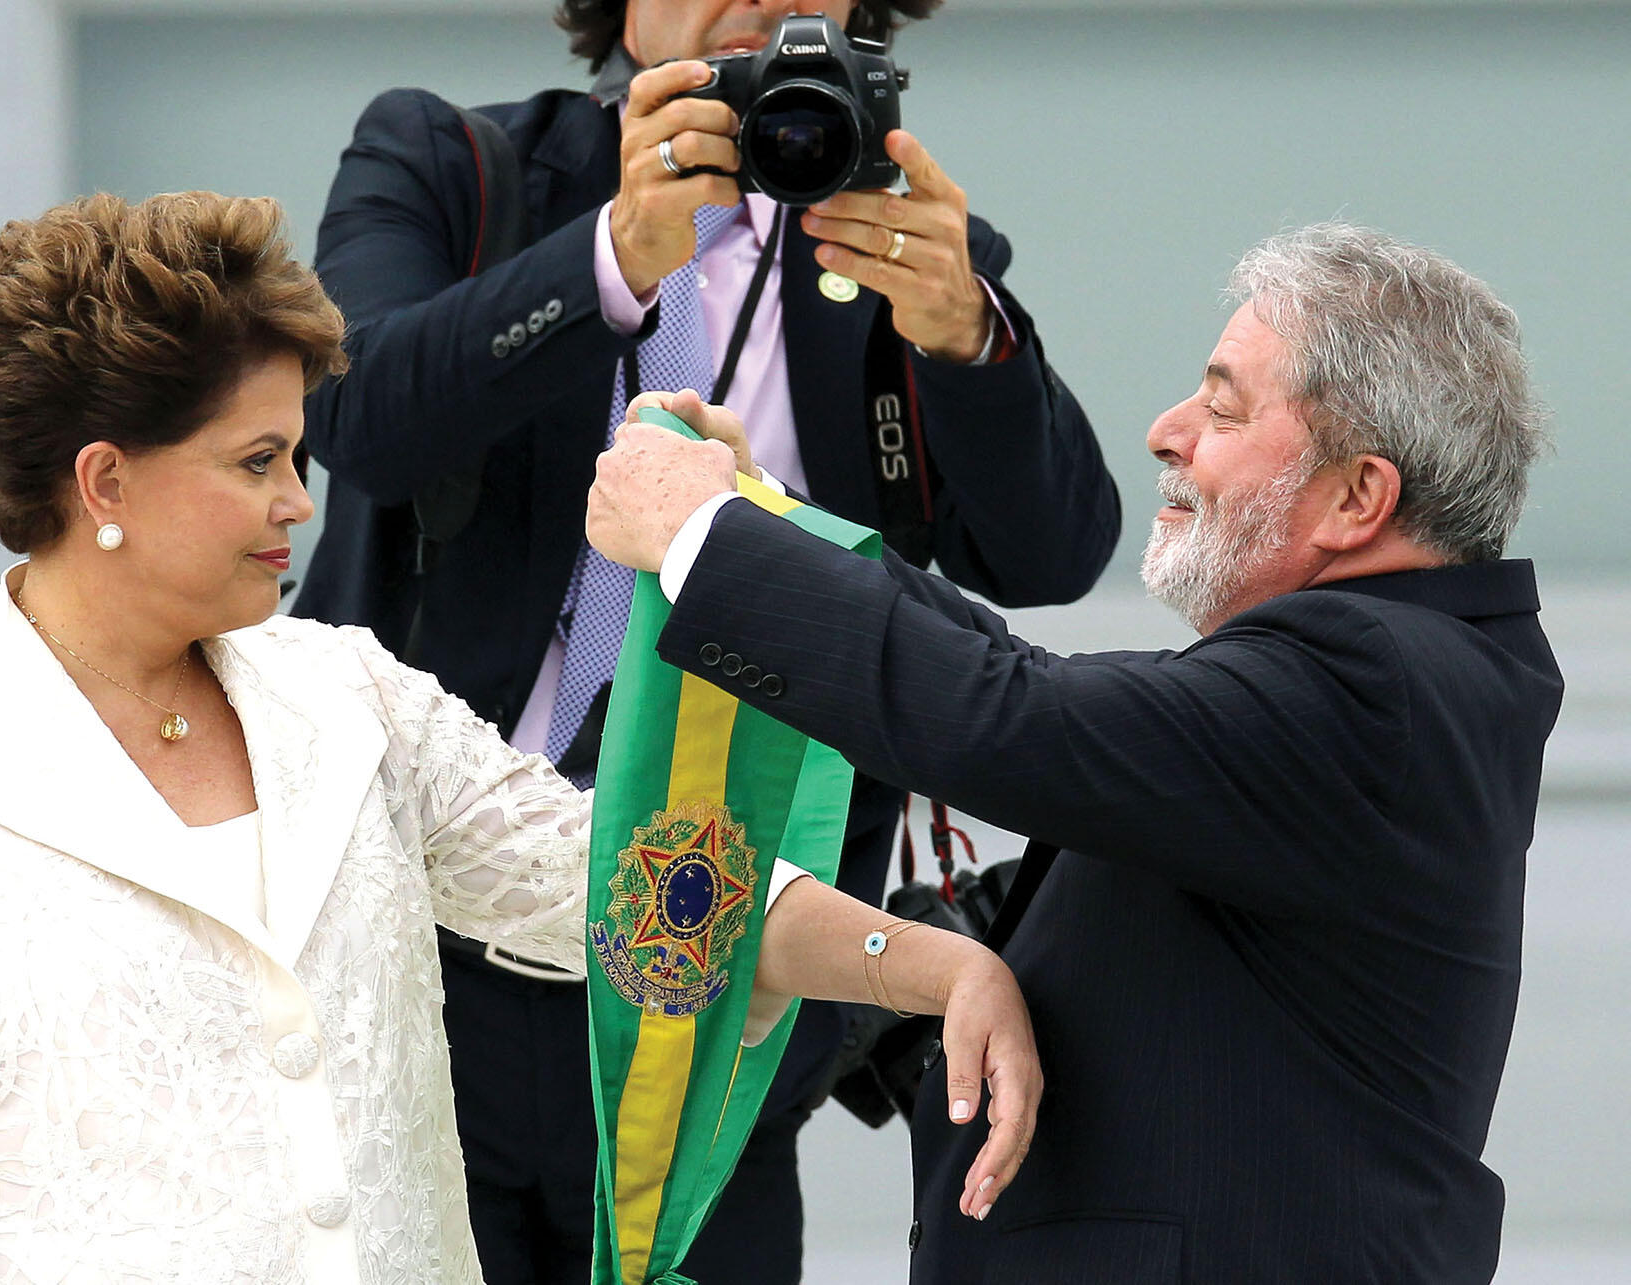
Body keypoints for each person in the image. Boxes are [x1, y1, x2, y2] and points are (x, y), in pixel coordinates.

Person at [0, 190, 1041, 1285]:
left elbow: (634, 879)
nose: (299, 504)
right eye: (256, 461)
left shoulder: (348, 692)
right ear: (105, 483)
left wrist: (932, 967)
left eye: (295, 456)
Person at [294, 2, 1120, 1278]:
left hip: (724, 975)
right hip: (423, 943)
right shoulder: (454, 167)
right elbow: (354, 413)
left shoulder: (882, 235)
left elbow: (1052, 552)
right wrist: (615, 256)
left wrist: (967, 338)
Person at [587, 223, 1561, 1283]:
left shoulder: (1371, 680)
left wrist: (702, 539)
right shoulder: (1395, 667)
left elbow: (1014, 717)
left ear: (1355, 499)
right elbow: (1019, 677)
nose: (1164, 430)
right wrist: (758, 516)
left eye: (1222, 406)